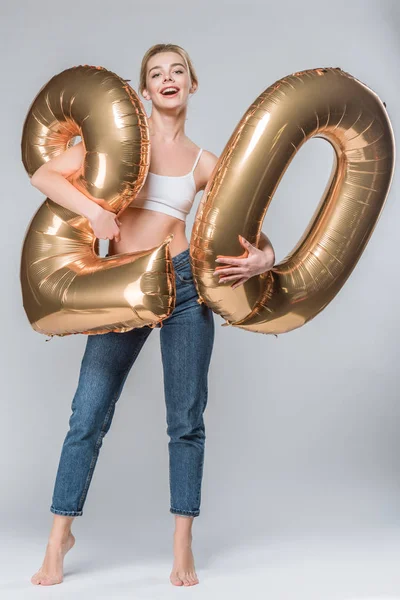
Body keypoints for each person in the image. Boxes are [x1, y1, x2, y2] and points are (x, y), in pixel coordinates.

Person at [29, 43, 275, 588]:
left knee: (186, 421)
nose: (167, 79)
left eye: (177, 71)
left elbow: (252, 228)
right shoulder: (119, 144)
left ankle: (182, 542)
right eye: (156, 73)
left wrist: (266, 257)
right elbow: (45, 175)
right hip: (121, 290)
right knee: (87, 416)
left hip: (183, 286)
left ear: (191, 84)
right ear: (143, 90)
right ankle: (57, 539)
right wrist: (94, 211)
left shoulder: (208, 162)